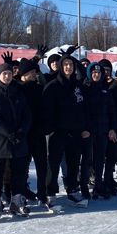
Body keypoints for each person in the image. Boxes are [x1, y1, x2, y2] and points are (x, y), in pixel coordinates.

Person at [0, 63, 32, 219]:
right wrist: (9, 133)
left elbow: (27, 115)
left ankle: (16, 201)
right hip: (0, 142)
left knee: (19, 172)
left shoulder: (18, 93)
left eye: (9, 74)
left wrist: (21, 131)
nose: (7, 76)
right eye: (4, 74)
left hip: (18, 141)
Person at [42, 54, 91, 207]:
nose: (69, 67)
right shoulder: (53, 86)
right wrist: (50, 129)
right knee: (53, 164)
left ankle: (72, 191)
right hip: (57, 132)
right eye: (66, 64)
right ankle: (50, 193)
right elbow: (46, 111)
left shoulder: (78, 86)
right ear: (61, 67)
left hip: (75, 132)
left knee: (73, 163)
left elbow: (85, 109)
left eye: (71, 64)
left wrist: (85, 128)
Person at [83, 62, 117, 199]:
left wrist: (112, 129)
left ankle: (98, 185)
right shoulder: (85, 89)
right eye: (93, 73)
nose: (96, 75)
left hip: (102, 130)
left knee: (100, 159)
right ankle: (84, 187)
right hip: (88, 131)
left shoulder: (105, 90)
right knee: (86, 161)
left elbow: (112, 112)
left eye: (98, 73)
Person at [18, 58, 49, 204]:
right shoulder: (18, 89)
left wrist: (45, 126)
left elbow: (45, 110)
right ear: (23, 74)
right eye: (30, 72)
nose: (33, 74)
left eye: (34, 72)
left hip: (38, 133)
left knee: (42, 165)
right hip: (24, 134)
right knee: (23, 167)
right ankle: (23, 191)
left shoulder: (39, 88)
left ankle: (42, 192)